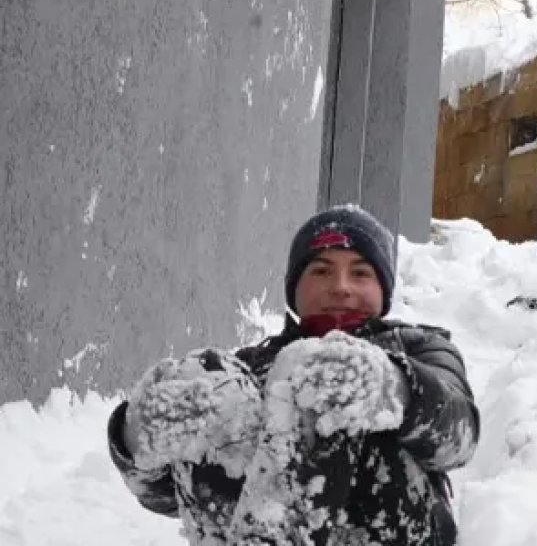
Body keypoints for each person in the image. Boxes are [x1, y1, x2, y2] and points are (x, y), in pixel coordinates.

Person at [106, 205, 480, 545]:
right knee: (205, 376)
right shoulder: (251, 369)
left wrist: (392, 388)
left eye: (361, 272)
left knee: (319, 369)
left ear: (383, 289)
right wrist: (135, 439)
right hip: (238, 531)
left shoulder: (419, 348)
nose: (341, 286)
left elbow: (457, 439)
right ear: (294, 287)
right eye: (321, 270)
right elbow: (170, 497)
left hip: (386, 529)